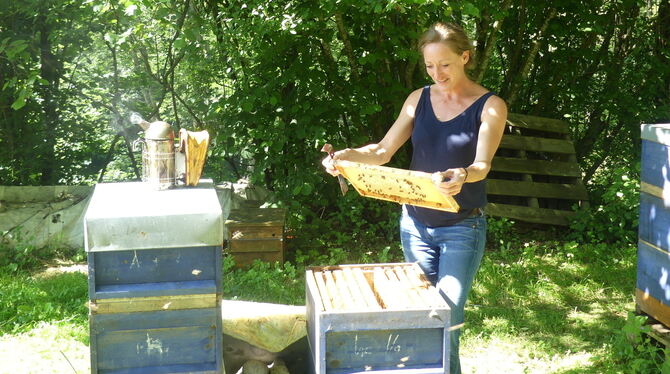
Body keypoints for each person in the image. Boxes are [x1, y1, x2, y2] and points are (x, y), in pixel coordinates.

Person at [322, 22, 507, 373]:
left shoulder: (490, 105)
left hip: (462, 226)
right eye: (429, 66)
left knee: (447, 315)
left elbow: (482, 164)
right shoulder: (418, 99)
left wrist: (462, 175)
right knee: (421, 313)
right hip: (415, 224)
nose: (437, 73)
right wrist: (345, 156)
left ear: (465, 57)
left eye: (446, 64)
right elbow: (380, 151)